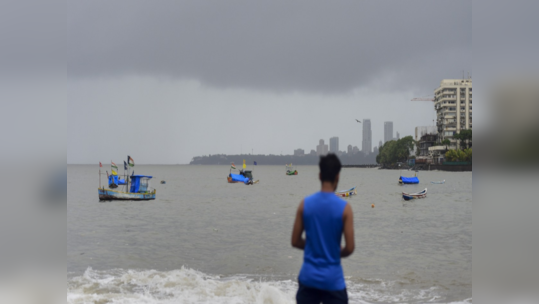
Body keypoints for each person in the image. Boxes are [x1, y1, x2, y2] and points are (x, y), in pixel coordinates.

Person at [291, 153, 355, 304]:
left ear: (319, 175)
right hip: (333, 281)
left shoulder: (305, 204)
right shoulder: (345, 209)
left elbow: (294, 241)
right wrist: (334, 250)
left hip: (308, 279)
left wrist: (313, 246)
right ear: (337, 177)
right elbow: (350, 248)